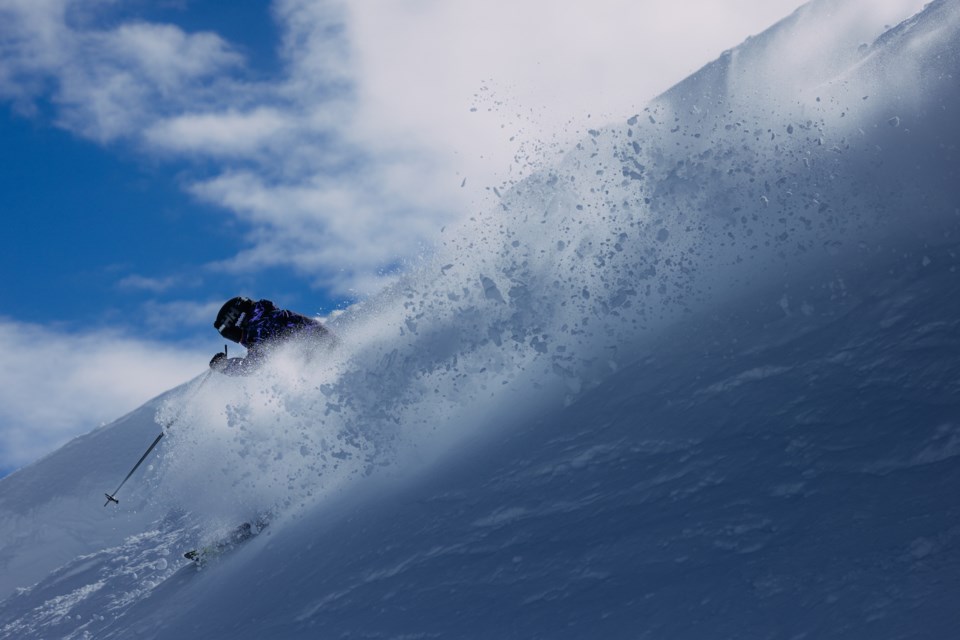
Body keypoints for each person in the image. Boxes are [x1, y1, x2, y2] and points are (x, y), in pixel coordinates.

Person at [210, 296, 331, 375]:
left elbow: (251, 366)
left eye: (232, 335)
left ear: (238, 323)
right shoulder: (268, 318)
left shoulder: (261, 328)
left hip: (324, 359)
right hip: (322, 355)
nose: (238, 340)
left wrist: (225, 366)